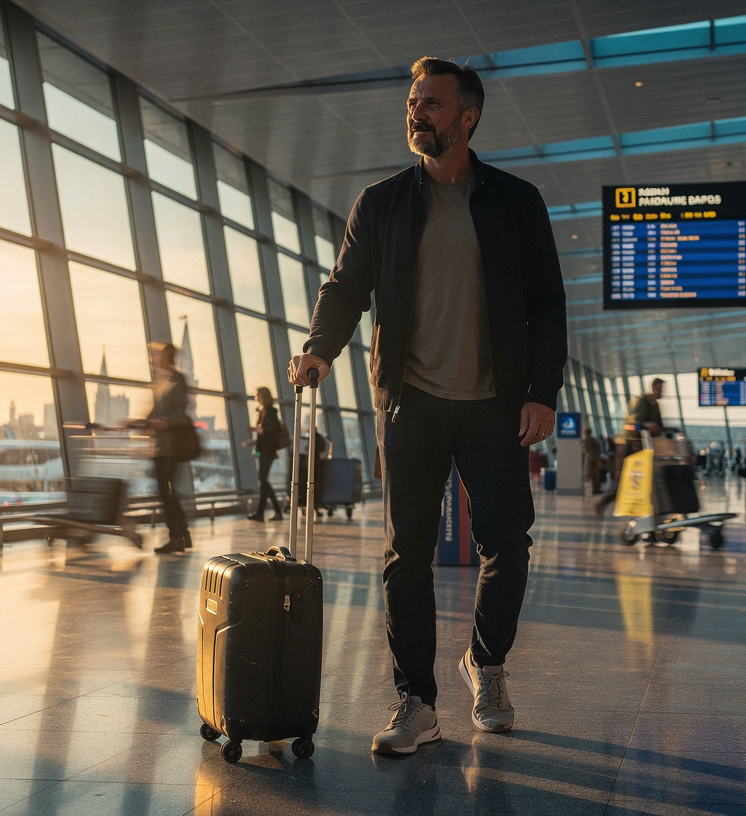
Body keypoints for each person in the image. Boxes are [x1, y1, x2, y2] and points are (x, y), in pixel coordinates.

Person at [287, 57, 566, 755]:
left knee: (508, 545)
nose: (417, 112)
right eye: (414, 101)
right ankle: (416, 700)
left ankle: (487, 663)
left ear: (467, 117)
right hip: (409, 403)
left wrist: (542, 392)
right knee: (404, 555)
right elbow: (346, 285)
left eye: (432, 103)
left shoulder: (515, 200)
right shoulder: (382, 202)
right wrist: (319, 347)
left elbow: (547, 304)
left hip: (495, 407)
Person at [134, 342, 195, 554]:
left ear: (167, 357)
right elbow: (156, 411)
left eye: (159, 355)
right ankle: (181, 534)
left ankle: (177, 536)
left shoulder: (177, 380)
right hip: (161, 446)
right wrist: (141, 422)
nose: (155, 358)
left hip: (171, 447)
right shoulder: (162, 381)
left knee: (165, 490)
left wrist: (163, 423)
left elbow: (181, 414)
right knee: (167, 491)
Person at [592, 379, 667, 517]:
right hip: (632, 445)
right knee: (623, 479)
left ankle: (651, 513)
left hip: (646, 447)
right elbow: (630, 424)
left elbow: (659, 426)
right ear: (655, 388)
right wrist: (647, 425)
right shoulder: (642, 402)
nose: (663, 391)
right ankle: (602, 503)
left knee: (649, 480)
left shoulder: (655, 405)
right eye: (661, 388)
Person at [242, 387, 286, 522]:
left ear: (263, 396)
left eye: (257, 394)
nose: (255, 396)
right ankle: (270, 512)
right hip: (262, 449)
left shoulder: (271, 411)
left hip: (268, 450)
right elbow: (265, 434)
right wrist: (252, 441)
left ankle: (264, 512)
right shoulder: (260, 411)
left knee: (263, 480)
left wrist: (257, 429)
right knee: (263, 480)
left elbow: (271, 431)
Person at [582, 427, 603, 494]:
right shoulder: (593, 439)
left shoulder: (585, 440)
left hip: (590, 458)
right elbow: (598, 448)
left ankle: (594, 488)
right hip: (595, 458)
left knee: (592, 475)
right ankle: (596, 489)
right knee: (596, 475)